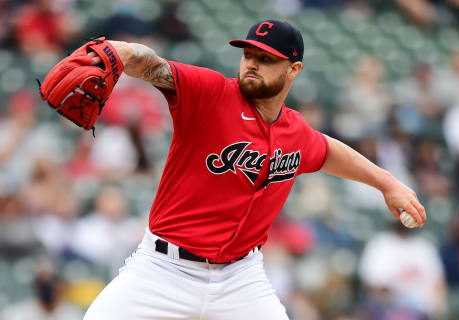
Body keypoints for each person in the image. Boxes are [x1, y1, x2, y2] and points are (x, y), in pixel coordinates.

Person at [82, 20, 427, 320]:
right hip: (164, 269)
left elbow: (327, 150)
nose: (252, 64)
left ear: (294, 70)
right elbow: (154, 65)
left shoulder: (295, 131)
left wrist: (386, 182)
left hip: (240, 279)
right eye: (248, 55)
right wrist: (118, 51)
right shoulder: (210, 94)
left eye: (266, 59)